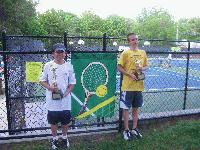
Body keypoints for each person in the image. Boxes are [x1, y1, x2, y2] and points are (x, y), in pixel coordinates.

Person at [40, 43, 76, 149]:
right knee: (53, 122)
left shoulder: (69, 66)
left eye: (62, 52)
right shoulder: (48, 65)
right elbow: (42, 80)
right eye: (57, 52)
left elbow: (72, 83)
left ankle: (65, 138)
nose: (59, 54)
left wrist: (66, 93)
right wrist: (50, 88)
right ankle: (55, 139)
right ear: (53, 53)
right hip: (52, 102)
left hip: (65, 101)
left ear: (65, 54)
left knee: (65, 122)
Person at [118, 33, 148, 141]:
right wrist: (129, 74)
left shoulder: (142, 52)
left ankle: (134, 128)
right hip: (127, 86)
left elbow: (146, 66)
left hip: (139, 86)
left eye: (136, 39)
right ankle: (126, 130)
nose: (135, 41)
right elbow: (119, 67)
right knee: (126, 109)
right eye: (132, 39)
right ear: (128, 41)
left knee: (136, 109)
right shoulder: (125, 53)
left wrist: (141, 69)